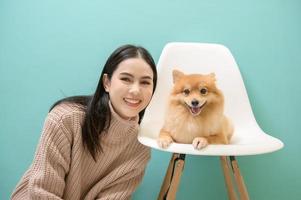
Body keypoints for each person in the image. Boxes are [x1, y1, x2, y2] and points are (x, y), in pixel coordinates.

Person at [11, 44, 158, 200]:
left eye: (145, 82)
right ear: (106, 82)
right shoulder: (65, 119)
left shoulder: (141, 146)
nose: (135, 90)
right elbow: (42, 193)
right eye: (126, 79)